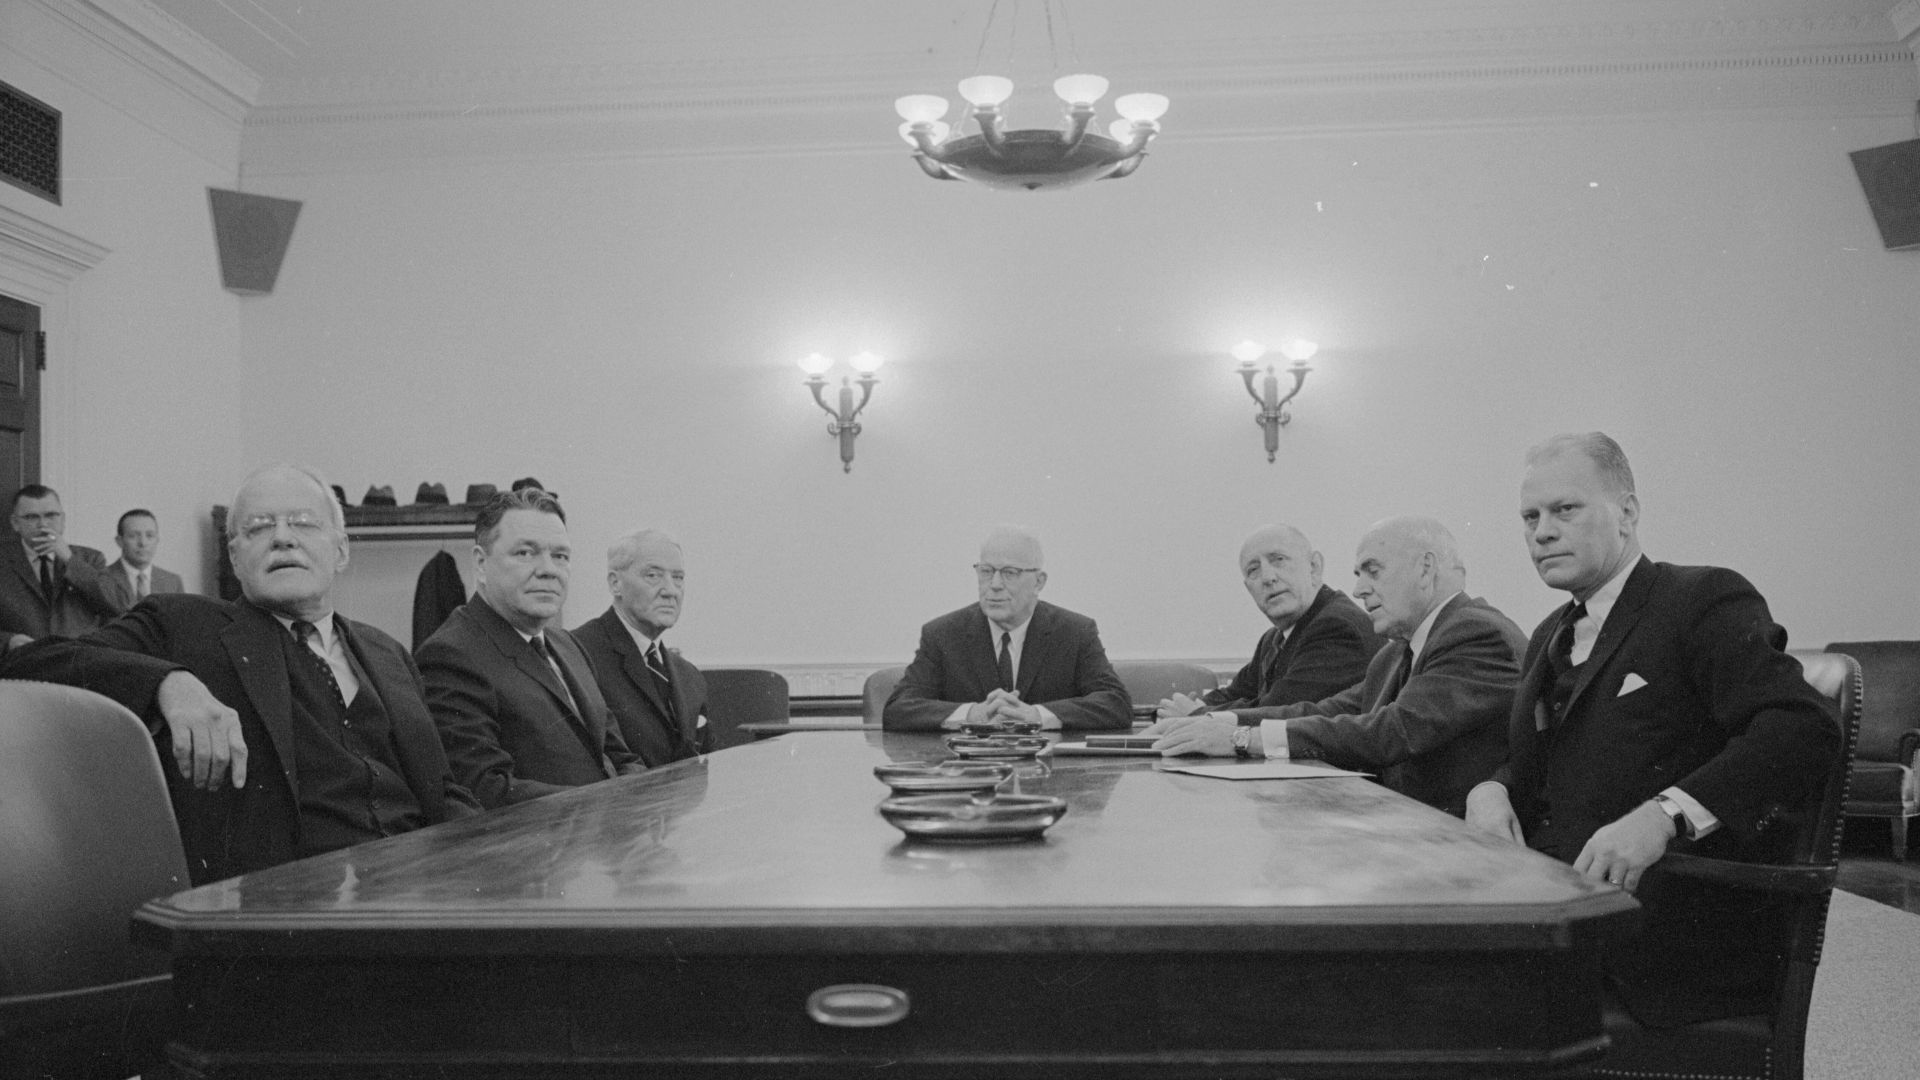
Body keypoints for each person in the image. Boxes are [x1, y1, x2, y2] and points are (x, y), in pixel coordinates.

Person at [1464, 432, 1839, 1028]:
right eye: (1530, 517)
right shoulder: (1548, 635)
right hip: (1554, 914)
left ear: (1627, 513)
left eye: (1565, 510)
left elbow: (1802, 727)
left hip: (1656, 938)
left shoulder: (1702, 598)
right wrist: (1493, 789)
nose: (1542, 532)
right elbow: (1550, 760)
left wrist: (1664, 816)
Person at [0, 465, 479, 885]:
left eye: (303, 523)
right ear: (234, 557)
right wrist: (167, 682)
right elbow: (30, 662)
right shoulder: (180, 624)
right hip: (285, 910)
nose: (282, 538)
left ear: (340, 550)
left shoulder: (388, 652)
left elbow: (443, 790)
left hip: (418, 886)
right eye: (258, 527)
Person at [1143, 517, 1525, 816]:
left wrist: (1240, 739)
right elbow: (1326, 710)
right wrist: (1219, 722)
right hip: (1408, 826)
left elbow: (1392, 732)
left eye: (1373, 571)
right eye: (1359, 575)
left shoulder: (1475, 632)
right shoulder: (1396, 651)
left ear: (1425, 569)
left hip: (1461, 841)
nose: (1358, 589)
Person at [417, 487, 644, 809]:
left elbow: (620, 756)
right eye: (525, 553)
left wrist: (643, 800)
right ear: (480, 563)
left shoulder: (568, 645)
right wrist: (604, 807)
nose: (548, 569)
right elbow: (484, 788)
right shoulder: (450, 656)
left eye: (560, 556)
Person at [884, 525, 1130, 732]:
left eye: (1009, 573)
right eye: (986, 571)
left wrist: (1037, 715)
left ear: (1039, 582)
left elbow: (1115, 703)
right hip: (970, 768)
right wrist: (971, 714)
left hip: (1048, 768)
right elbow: (898, 708)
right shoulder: (943, 634)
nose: (995, 584)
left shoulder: (1075, 632)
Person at [1159, 524, 1383, 719]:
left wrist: (1196, 715)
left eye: (1279, 560)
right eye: (1253, 570)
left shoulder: (1337, 627)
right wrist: (1181, 709)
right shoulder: (1274, 638)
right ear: (1248, 588)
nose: (1268, 577)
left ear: (1314, 567)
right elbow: (1235, 694)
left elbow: (1277, 713)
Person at [572, 529, 711, 765]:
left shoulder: (690, 677)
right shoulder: (578, 654)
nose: (670, 591)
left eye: (678, 578)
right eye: (653, 575)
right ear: (615, 584)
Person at [0, 483, 118, 637]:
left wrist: (70, 559)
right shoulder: (3, 560)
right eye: (31, 517)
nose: (43, 524)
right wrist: (8, 641)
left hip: (78, 651)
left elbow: (115, 605)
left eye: (51, 515)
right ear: (15, 523)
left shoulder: (90, 558)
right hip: (24, 651)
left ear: (63, 519)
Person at [99, 508, 185, 612]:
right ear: (119, 541)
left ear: (157, 540)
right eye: (133, 536)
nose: (143, 543)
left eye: (150, 535)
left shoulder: (172, 582)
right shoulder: (102, 579)